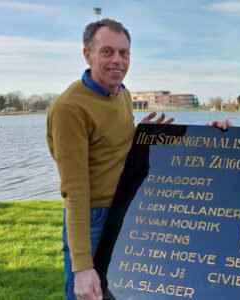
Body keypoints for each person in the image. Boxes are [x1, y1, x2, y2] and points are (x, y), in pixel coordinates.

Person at [46, 18, 172, 300]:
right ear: (87, 54)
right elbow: (75, 190)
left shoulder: (121, 93)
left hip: (125, 210)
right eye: (107, 52)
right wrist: (81, 266)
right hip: (93, 217)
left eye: (124, 53)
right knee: (89, 293)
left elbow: (112, 148)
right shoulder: (70, 108)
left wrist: (144, 134)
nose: (118, 60)